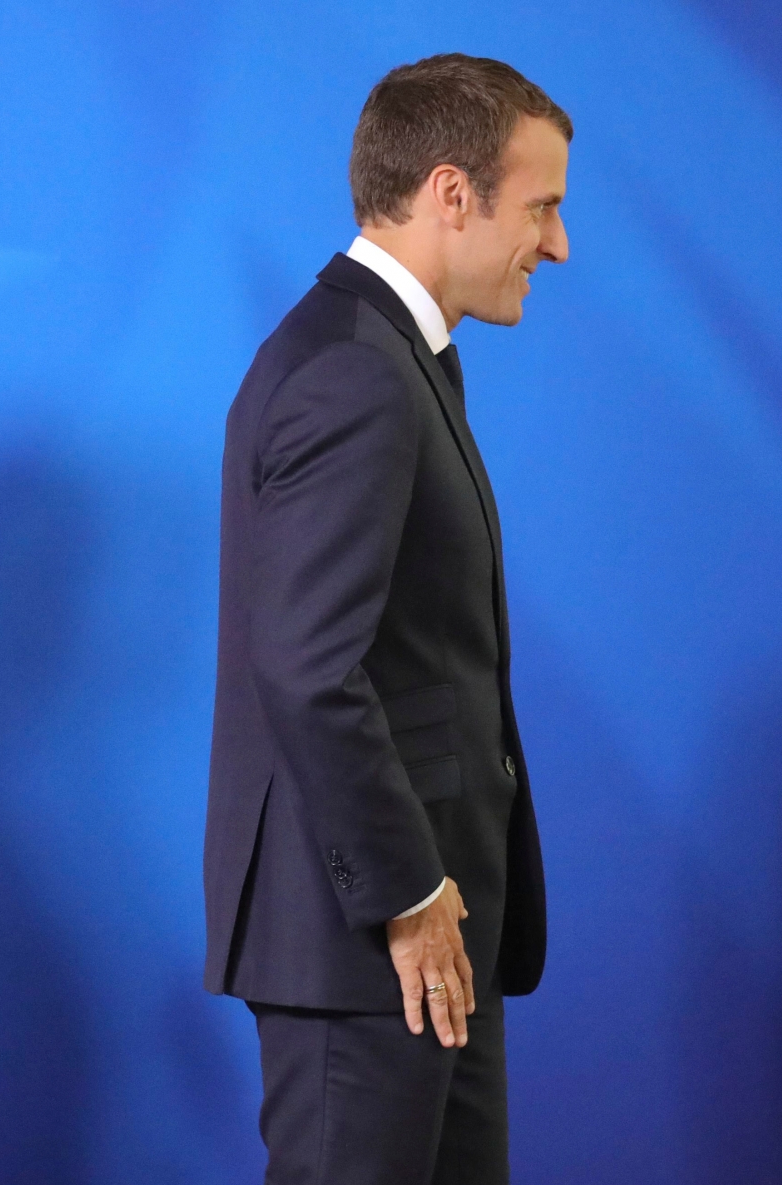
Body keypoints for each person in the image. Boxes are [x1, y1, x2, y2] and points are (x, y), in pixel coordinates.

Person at [204, 53, 571, 1184]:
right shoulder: (354, 372)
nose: (555, 245)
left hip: (423, 937)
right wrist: (410, 897)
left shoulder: (382, 357)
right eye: (542, 206)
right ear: (452, 193)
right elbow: (309, 664)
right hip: (368, 938)